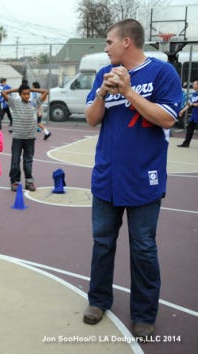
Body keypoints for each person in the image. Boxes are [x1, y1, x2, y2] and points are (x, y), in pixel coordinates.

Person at [83, 19, 181, 339]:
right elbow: (91, 120)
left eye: (109, 41)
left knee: (142, 248)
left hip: (144, 179)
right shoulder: (104, 74)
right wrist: (102, 93)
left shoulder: (162, 72)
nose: (106, 47)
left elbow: (167, 117)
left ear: (127, 41)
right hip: (106, 176)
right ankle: (98, 301)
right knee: (102, 242)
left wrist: (127, 92)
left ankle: (143, 314)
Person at [2, 83, 48, 192]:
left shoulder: (34, 103)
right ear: (20, 94)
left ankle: (29, 181)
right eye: (24, 94)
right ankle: (15, 181)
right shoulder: (15, 103)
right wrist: (17, 89)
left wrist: (31, 89)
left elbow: (46, 91)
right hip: (17, 137)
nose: (27, 96)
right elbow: (3, 93)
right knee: (15, 160)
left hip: (30, 138)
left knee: (28, 160)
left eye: (28, 94)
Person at [177, 80, 198, 147]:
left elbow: (193, 104)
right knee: (190, 129)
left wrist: (194, 104)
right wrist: (182, 111)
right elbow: (189, 104)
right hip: (194, 116)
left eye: (194, 84)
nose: (193, 85)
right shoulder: (194, 94)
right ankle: (186, 143)